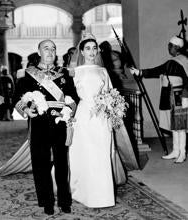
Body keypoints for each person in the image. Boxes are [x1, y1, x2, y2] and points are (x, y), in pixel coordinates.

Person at [69, 33, 138, 208]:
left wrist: (112, 106)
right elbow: (70, 97)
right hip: (84, 115)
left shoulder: (103, 71)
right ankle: (83, 191)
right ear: (82, 52)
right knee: (86, 152)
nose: (92, 52)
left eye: (94, 48)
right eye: (87, 48)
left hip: (102, 117)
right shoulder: (75, 71)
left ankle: (103, 195)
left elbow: (110, 92)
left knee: (102, 152)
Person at [14, 39, 78, 215]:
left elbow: (73, 97)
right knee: (40, 162)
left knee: (62, 163)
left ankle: (65, 200)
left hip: (59, 121)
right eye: (46, 48)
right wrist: (26, 108)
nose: (50, 52)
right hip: (39, 122)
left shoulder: (64, 73)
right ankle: (46, 201)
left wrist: (68, 110)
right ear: (39, 52)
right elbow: (17, 98)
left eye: (53, 49)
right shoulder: (27, 74)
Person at [130, 35, 188, 163]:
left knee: (180, 126)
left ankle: (182, 153)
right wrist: (140, 72)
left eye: (170, 46)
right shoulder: (174, 61)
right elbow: (158, 71)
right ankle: (175, 151)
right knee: (174, 126)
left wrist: (185, 97)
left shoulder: (180, 61)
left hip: (179, 96)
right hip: (171, 95)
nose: (168, 48)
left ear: (176, 47)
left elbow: (159, 70)